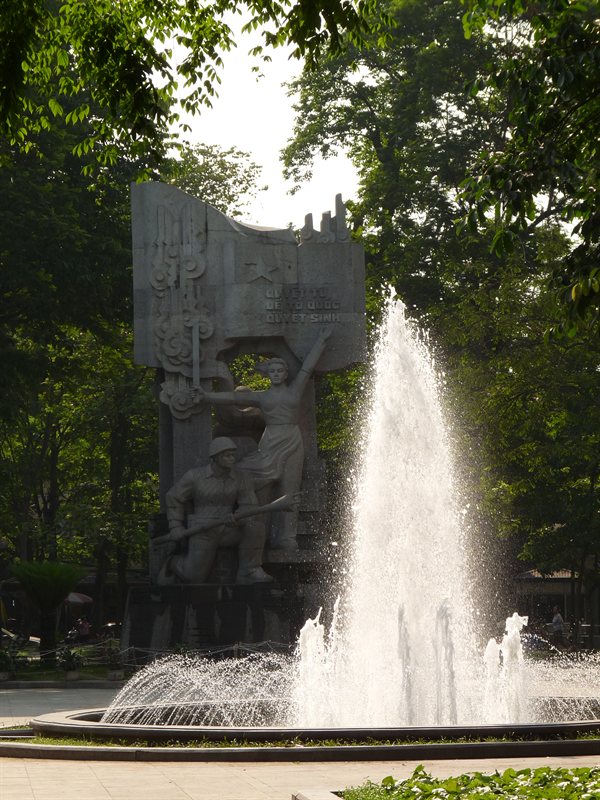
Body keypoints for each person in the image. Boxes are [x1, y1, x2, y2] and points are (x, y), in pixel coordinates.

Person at [192, 329, 331, 550]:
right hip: (270, 441)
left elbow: (307, 368)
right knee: (252, 479)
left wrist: (321, 340)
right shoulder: (262, 396)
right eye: (272, 370)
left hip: (292, 440)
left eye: (280, 370)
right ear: (268, 374)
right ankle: (256, 531)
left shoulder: (295, 391)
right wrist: (207, 396)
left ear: (285, 374)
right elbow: (234, 397)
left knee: (290, 487)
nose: (276, 373)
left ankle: (287, 536)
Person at [155, 437, 297, 585]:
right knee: (193, 576)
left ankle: (249, 571)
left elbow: (249, 505)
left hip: (230, 528)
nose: (231, 459)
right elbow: (174, 497)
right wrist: (175, 525)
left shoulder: (241, 477)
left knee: (255, 527)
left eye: (232, 455)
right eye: (226, 455)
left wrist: (239, 518)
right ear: (215, 458)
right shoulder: (195, 476)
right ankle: (173, 562)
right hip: (203, 529)